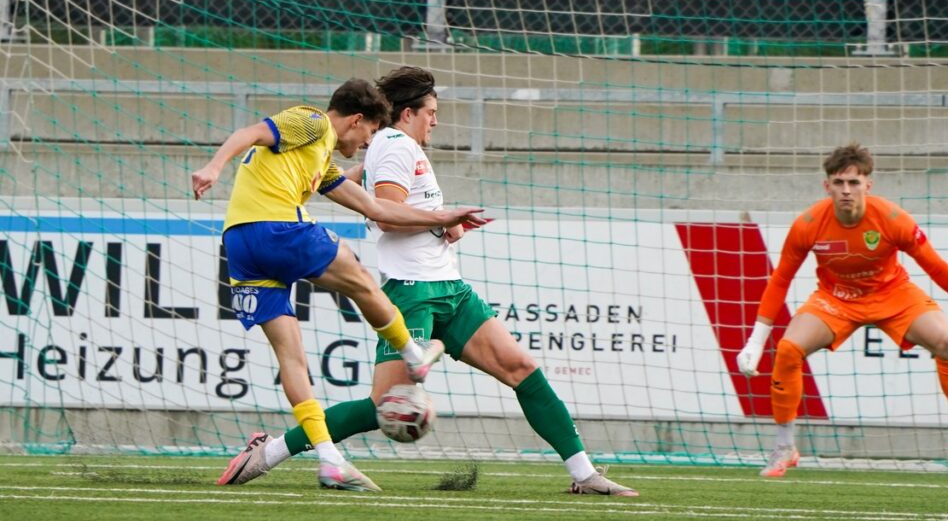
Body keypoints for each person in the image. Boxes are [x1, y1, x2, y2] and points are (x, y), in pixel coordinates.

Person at [217, 66, 638, 496]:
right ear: (407, 114)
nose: (435, 121)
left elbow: (368, 193)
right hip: (412, 291)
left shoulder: (395, 147)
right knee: (382, 406)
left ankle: (584, 473)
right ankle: (271, 451)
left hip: (449, 288)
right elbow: (386, 214)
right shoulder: (393, 146)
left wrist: (444, 225)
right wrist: (441, 220)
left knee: (521, 369)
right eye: (430, 112)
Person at [191, 78, 485, 491]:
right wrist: (213, 166)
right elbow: (249, 133)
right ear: (356, 120)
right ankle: (413, 354)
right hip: (276, 229)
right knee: (362, 281)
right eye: (370, 132)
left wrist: (444, 217)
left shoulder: (321, 166)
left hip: (240, 246)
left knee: (292, 358)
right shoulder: (312, 121)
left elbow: (376, 208)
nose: (368, 143)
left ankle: (330, 461)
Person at [736, 143, 948, 477]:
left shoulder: (893, 219)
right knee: (788, 349)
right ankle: (784, 447)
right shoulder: (807, 224)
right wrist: (755, 341)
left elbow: (935, 266)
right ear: (827, 186)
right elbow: (781, 279)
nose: (846, 190)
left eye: (854, 182)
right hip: (836, 299)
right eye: (839, 183)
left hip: (893, 294)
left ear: (868, 184)